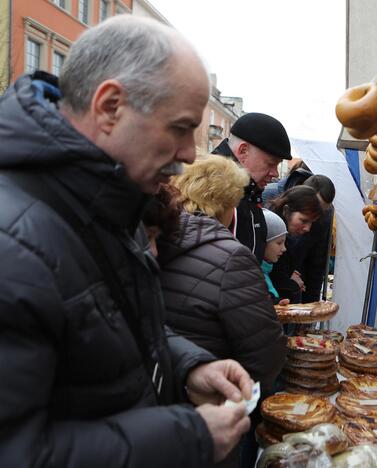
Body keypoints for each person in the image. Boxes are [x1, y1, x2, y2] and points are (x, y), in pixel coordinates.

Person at [0, 16, 254, 467]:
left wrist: (187, 367)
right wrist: (187, 439)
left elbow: (107, 322)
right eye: (180, 127)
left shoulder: (111, 199)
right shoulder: (13, 243)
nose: (190, 155)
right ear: (110, 106)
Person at [157, 155, 287, 467]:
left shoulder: (155, 239)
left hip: (158, 411)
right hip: (213, 414)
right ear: (226, 205)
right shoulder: (231, 257)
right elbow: (266, 355)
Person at [212, 112, 293, 263]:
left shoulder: (249, 191)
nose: (275, 173)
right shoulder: (211, 191)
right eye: (270, 163)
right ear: (243, 150)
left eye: (277, 165)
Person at [267, 186, 323, 303]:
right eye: (303, 220)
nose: (308, 228)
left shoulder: (290, 238)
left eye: (311, 222)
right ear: (286, 211)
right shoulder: (268, 230)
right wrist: (290, 284)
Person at [261, 208, 289, 303]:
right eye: (279, 243)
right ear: (263, 243)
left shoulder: (266, 271)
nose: (284, 248)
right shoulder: (257, 277)